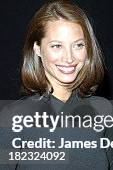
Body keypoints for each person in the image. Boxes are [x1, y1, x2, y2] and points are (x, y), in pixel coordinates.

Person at [0, 0, 113, 169]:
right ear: (37, 49)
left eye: (78, 45)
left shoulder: (104, 111)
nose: (69, 58)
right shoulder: (13, 117)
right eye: (57, 46)